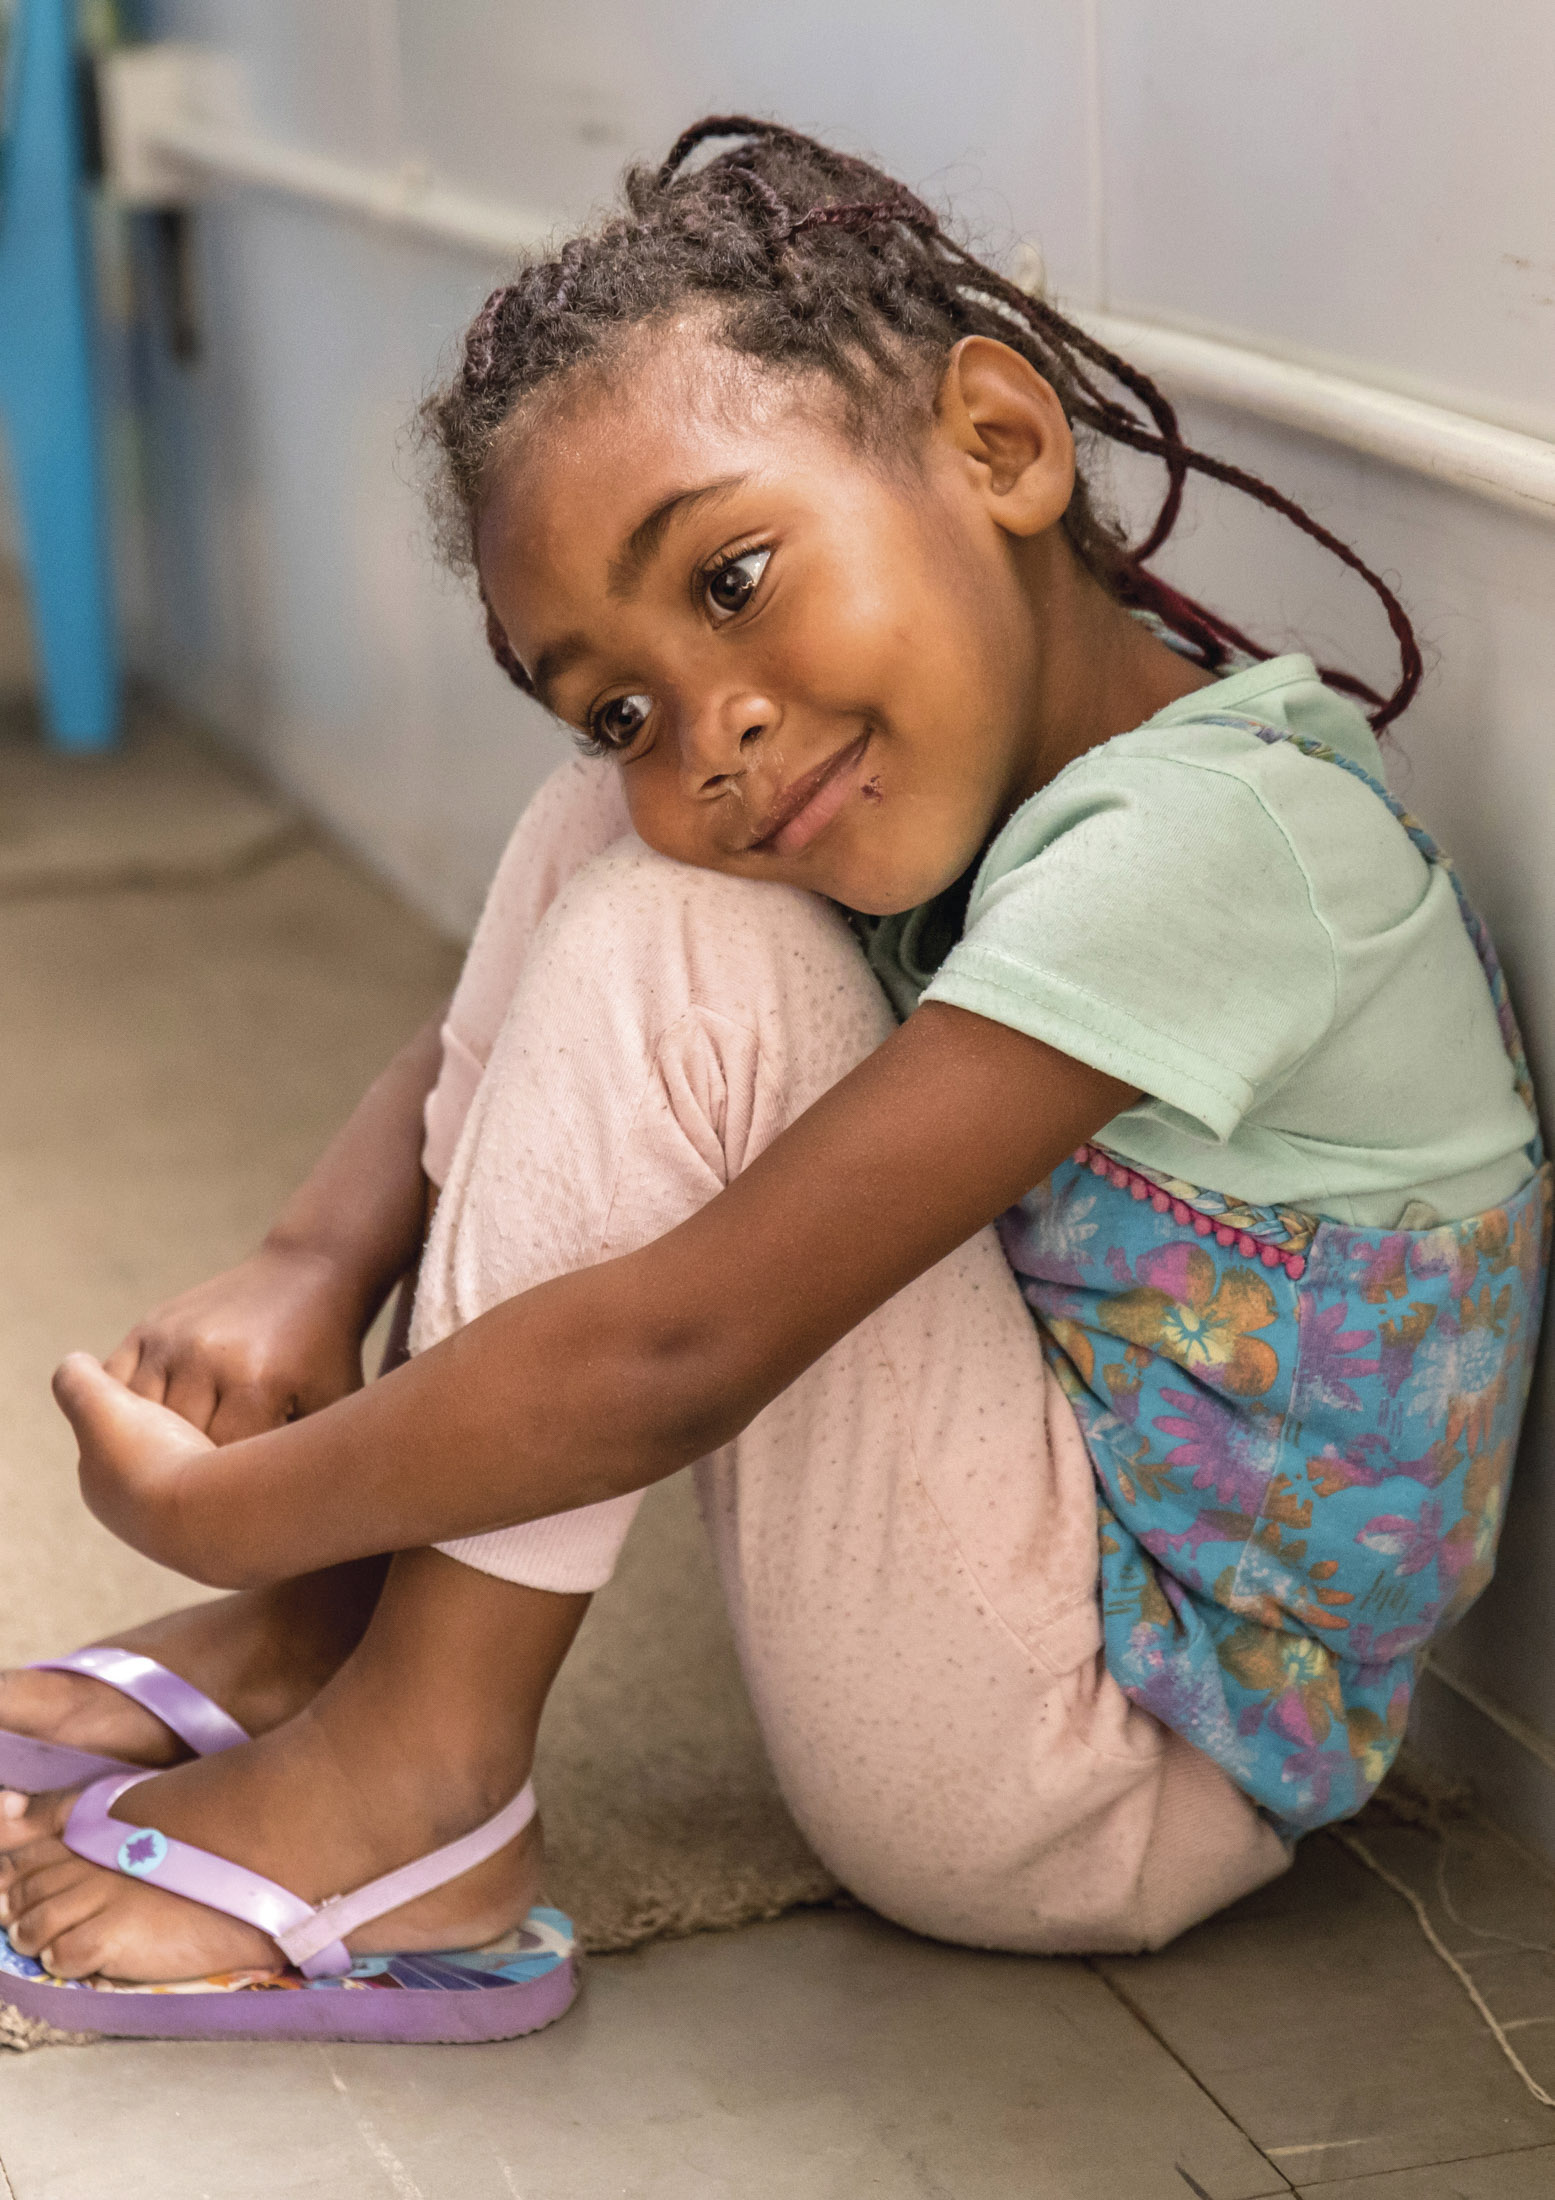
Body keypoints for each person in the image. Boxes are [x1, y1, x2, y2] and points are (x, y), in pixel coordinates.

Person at [0, 119, 1546, 2015]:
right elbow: (630, 885)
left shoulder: (1220, 847)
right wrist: (319, 1260)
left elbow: (677, 1352)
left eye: (731, 577)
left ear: (1001, 445)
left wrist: (233, 1498)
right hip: (1028, 1592)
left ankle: (415, 1776)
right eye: (626, 696)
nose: (709, 728)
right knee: (627, 840)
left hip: (1102, 1774)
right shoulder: (1009, 780)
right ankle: (332, 1624)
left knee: (684, 933)